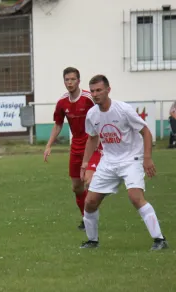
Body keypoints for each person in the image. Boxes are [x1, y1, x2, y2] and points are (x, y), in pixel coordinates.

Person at [80, 74, 168, 251]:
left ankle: (160, 240)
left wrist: (147, 158)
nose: (96, 94)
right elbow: (92, 139)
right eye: (93, 91)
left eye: (99, 90)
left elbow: (146, 132)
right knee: (89, 202)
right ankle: (92, 241)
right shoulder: (92, 114)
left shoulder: (123, 109)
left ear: (108, 90)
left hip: (131, 159)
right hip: (108, 161)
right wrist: (86, 165)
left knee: (135, 197)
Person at [44, 67, 102, 230]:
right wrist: (49, 145)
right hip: (76, 147)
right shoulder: (62, 102)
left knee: (89, 183)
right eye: (67, 80)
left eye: (72, 79)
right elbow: (58, 124)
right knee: (76, 187)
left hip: (92, 146)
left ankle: (91, 218)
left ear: (78, 81)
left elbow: (103, 114)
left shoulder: (89, 98)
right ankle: (86, 217)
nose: (69, 82)